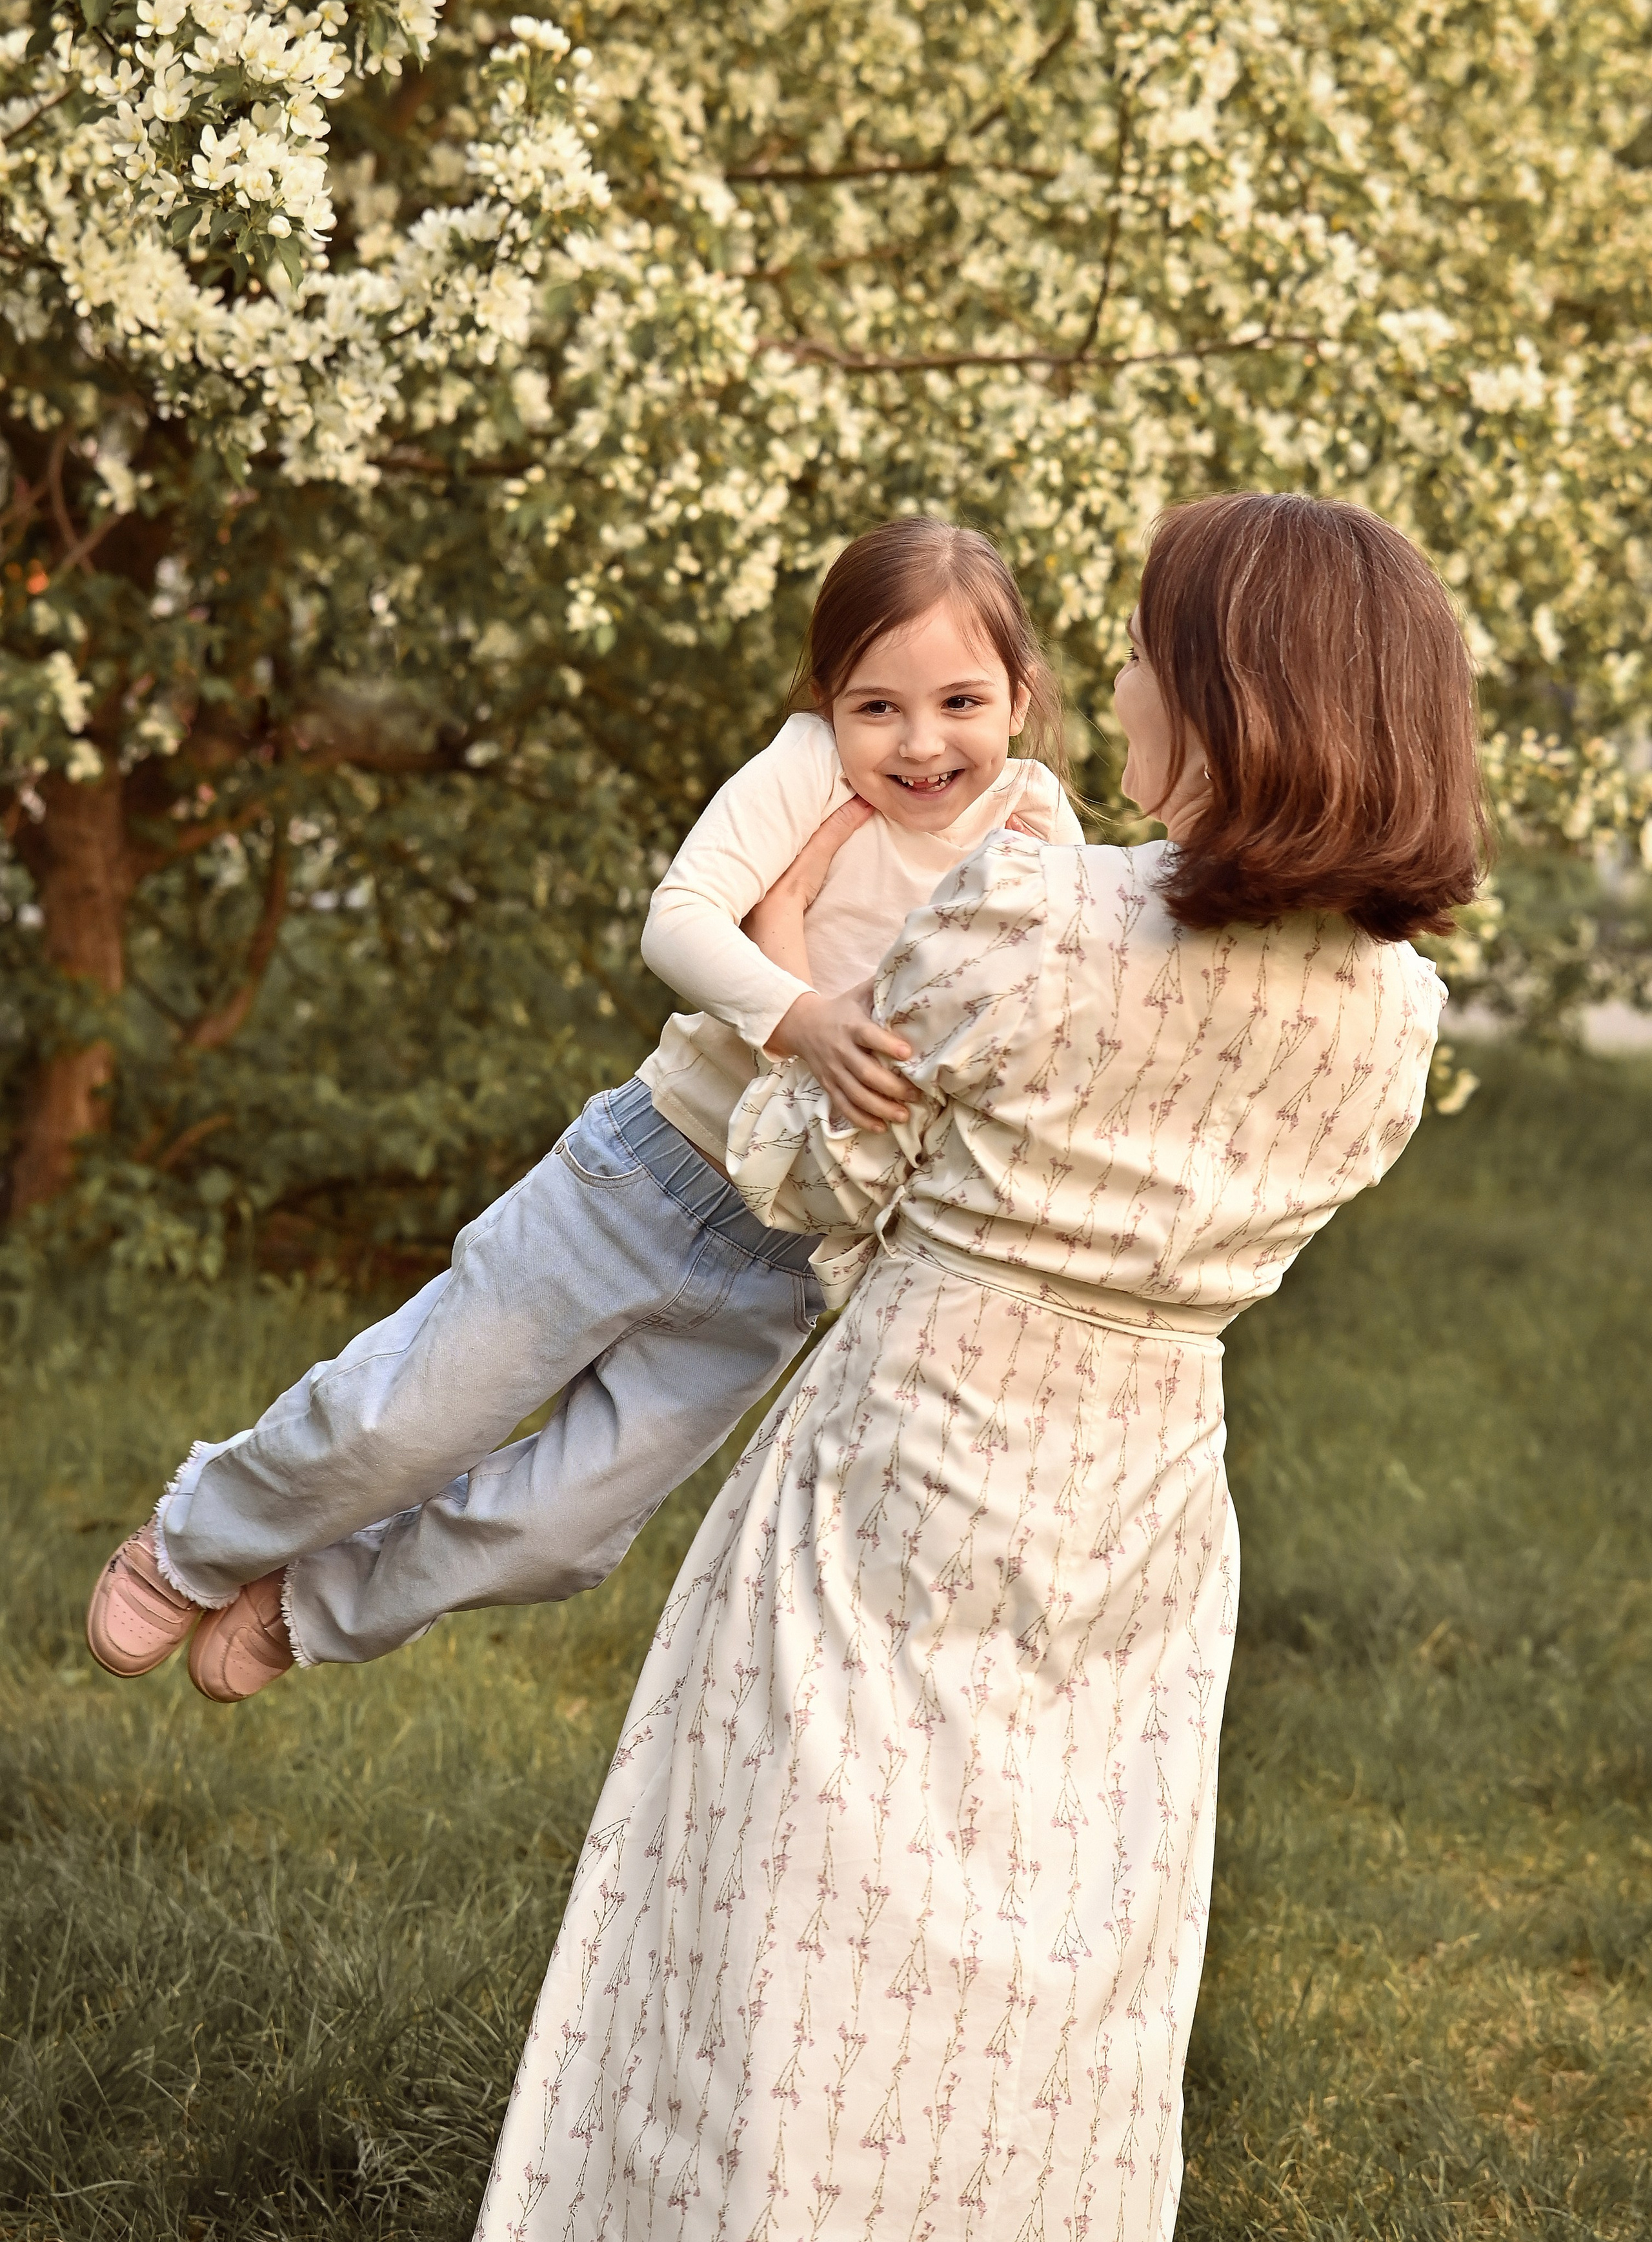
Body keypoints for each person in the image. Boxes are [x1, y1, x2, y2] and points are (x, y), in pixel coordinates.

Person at [474, 492, 1487, 2241]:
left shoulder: (1035, 908)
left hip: (913, 1456)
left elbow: (815, 1171)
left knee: (800, 1899)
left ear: (1231, 702)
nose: (1118, 680)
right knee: (1062, 1934)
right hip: (1143, 1500)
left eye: (1148, 653)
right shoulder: (1395, 1015)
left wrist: (782, 956)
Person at [85, 519, 1085, 1702]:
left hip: (787, 1267)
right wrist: (803, 1015)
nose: (920, 743)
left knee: (565, 1533)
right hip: (646, 1176)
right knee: (410, 1419)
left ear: (1020, 696)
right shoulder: (811, 766)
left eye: (962, 702)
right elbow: (681, 919)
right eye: (879, 707)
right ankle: (197, 1540)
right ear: (829, 701)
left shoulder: (1038, 837)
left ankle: (316, 1600)